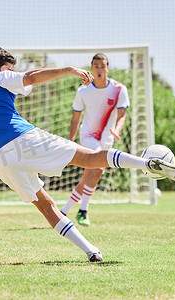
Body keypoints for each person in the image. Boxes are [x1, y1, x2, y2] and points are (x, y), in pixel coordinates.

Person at [0, 47, 175, 262]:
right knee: (91, 158)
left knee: (46, 206)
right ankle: (146, 164)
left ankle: (92, 251)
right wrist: (68, 70)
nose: (12, 72)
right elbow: (30, 78)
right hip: (22, 139)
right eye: (9, 68)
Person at [60, 53, 129, 226]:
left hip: (106, 139)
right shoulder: (83, 90)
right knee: (97, 169)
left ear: (107, 68)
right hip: (88, 136)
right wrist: (71, 141)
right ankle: (83, 211)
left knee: (89, 176)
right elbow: (75, 118)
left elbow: (122, 116)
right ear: (91, 68)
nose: (99, 69)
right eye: (96, 66)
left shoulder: (119, 89)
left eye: (102, 66)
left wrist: (116, 130)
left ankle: (63, 212)